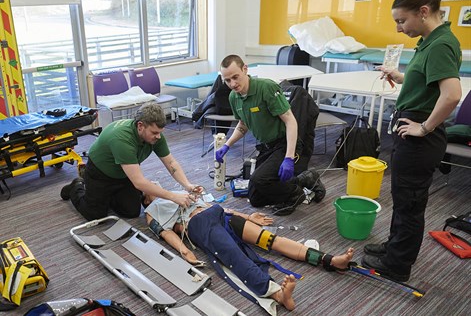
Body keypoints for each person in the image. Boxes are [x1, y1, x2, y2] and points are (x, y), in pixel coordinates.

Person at [362, 0, 462, 282]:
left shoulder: (441, 43)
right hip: (412, 133)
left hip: (420, 139)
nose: (398, 28)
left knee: (409, 204)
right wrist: (401, 76)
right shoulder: (431, 40)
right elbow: (428, 80)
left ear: (423, 11)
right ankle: (395, 248)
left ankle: (397, 265)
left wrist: (425, 127)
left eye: (401, 20)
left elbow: (452, 95)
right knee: (403, 198)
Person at [142, 193, 354, 312]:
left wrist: (247, 216)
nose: (154, 187)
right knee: (236, 256)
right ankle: (279, 295)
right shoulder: (151, 212)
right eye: (148, 189)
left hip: (219, 214)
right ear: (144, 199)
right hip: (199, 224)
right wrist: (185, 252)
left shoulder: (176, 191)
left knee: (271, 240)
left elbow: (215, 206)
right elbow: (166, 234)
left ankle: (330, 260)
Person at [216, 55, 325, 216]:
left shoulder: (266, 88)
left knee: (259, 179)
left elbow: (291, 121)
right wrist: (227, 145)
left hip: (284, 143)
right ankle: (305, 179)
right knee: (255, 198)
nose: (232, 84)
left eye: (235, 77)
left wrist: (289, 157)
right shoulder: (234, 97)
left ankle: (296, 195)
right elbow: (243, 125)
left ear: (245, 69)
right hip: (266, 147)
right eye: (227, 80)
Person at [60, 102, 202, 221]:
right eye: (154, 133)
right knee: (95, 215)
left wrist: (188, 185)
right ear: (140, 126)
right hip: (100, 173)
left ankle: (106, 196)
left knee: (131, 212)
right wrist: (173, 196)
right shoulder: (122, 139)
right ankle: (77, 185)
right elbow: (139, 182)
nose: (158, 137)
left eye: (160, 132)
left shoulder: (155, 136)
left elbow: (171, 163)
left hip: (124, 173)